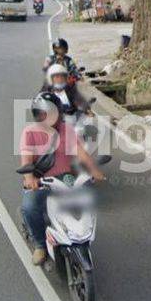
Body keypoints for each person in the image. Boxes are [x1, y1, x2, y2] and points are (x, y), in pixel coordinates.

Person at [19, 92, 105, 265]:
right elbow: (26, 160)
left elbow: (81, 154)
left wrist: (94, 171)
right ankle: (40, 245)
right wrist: (30, 178)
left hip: (66, 179)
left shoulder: (67, 130)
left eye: (50, 112)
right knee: (29, 208)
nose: (46, 116)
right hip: (42, 181)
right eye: (42, 113)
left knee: (87, 199)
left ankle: (81, 236)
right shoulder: (29, 132)